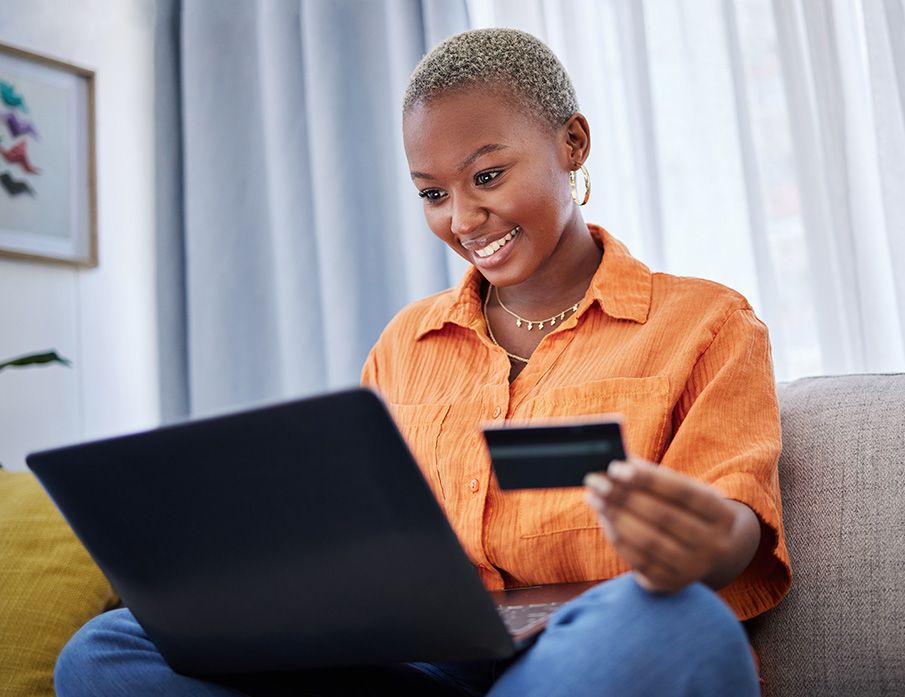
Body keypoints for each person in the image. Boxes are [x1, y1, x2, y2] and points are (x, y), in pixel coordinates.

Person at [55, 28, 790, 697]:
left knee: (677, 623)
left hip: (588, 644)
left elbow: (736, 529)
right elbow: (361, 539)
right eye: (433, 193)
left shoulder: (706, 322)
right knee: (107, 651)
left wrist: (703, 541)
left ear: (572, 142)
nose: (462, 219)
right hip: (418, 659)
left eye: (488, 176)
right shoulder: (406, 343)